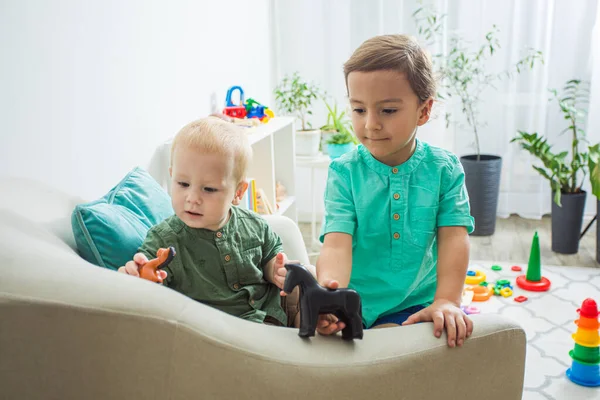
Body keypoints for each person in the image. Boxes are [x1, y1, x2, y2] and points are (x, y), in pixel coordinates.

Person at [316, 34, 475, 347]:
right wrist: (332, 293)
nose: (371, 124)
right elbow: (336, 244)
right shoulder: (344, 172)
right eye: (359, 110)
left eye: (387, 111)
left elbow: (455, 239)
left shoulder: (445, 170)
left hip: (417, 303)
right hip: (353, 301)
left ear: (423, 111)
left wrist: (446, 300)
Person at [118, 116, 305, 327]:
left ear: (238, 192)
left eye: (208, 189)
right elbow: (149, 275)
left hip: (272, 307)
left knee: (310, 281)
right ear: (172, 177)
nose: (192, 198)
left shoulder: (254, 225)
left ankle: (319, 324)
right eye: (183, 183)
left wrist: (276, 270)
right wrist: (139, 275)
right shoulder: (164, 238)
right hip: (227, 331)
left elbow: (269, 257)